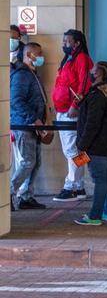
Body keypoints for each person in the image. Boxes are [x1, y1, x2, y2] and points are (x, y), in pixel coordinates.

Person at [74, 61, 107, 226]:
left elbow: (92, 123)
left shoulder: (98, 95)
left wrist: (82, 144)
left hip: (95, 144)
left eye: (92, 70)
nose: (90, 72)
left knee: (100, 180)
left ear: (98, 74)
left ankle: (94, 215)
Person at [51, 29, 94, 202]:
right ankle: (80, 186)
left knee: (71, 150)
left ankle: (71, 187)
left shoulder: (81, 58)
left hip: (71, 112)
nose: (64, 44)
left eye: (67, 41)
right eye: (63, 41)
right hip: (63, 110)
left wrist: (75, 105)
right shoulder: (69, 59)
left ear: (77, 43)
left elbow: (84, 84)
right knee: (76, 151)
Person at [10, 42, 49, 210]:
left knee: (36, 162)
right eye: (38, 54)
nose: (41, 58)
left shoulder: (33, 74)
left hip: (34, 125)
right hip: (25, 124)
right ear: (28, 55)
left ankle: (26, 196)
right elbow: (16, 100)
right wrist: (34, 118)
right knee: (28, 161)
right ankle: (8, 191)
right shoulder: (22, 75)